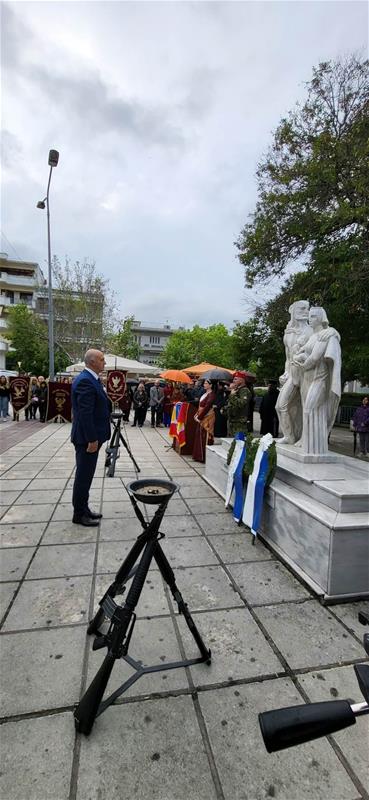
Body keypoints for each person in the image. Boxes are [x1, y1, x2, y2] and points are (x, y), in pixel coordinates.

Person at [293, 307, 341, 455]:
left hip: (319, 378)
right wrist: (297, 355)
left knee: (310, 408)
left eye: (313, 316)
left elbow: (314, 358)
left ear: (321, 318)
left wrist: (301, 363)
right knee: (307, 410)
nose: (310, 319)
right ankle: (306, 441)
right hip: (307, 378)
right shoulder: (313, 337)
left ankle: (314, 445)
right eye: (309, 316)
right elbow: (303, 352)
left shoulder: (325, 335)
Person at [71, 349, 110, 526]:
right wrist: (92, 439)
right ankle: (79, 514)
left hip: (91, 436)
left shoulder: (91, 379)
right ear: (92, 361)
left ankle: (84, 509)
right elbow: (85, 415)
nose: (105, 363)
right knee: (83, 476)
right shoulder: (85, 381)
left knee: (87, 475)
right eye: (102, 360)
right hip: (87, 439)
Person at [276, 300, 312, 444]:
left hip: (305, 374)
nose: (306, 311)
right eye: (302, 308)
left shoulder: (310, 331)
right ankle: (289, 436)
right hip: (292, 373)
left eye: (307, 309)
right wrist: (286, 372)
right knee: (281, 406)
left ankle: (303, 438)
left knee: (304, 407)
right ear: (294, 311)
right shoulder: (288, 332)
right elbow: (288, 357)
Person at [192, 379, 216, 462]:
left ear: (211, 385)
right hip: (202, 415)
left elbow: (207, 406)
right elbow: (200, 406)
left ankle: (204, 457)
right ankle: (198, 455)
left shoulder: (212, 394)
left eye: (206, 383)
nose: (204, 385)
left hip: (207, 417)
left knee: (205, 435)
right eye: (204, 383)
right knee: (199, 434)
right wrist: (197, 414)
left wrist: (199, 417)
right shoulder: (205, 393)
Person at [226, 371, 251, 437]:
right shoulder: (236, 390)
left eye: (236, 379)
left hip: (240, 423)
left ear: (242, 380)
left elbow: (241, 404)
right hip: (233, 421)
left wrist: (232, 395)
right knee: (232, 443)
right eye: (234, 379)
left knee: (239, 443)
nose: (233, 381)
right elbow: (231, 404)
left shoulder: (244, 391)